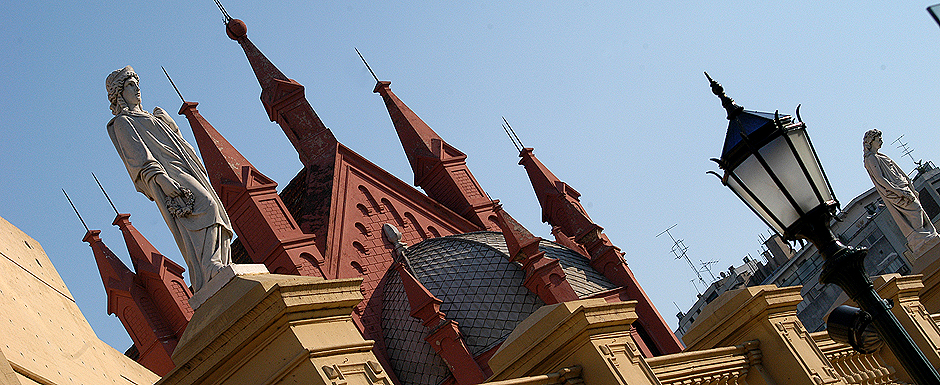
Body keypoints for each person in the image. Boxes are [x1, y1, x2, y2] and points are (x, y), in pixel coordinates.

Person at [106, 65, 233, 292]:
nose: (137, 90)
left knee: (214, 208)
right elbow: (138, 157)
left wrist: (168, 125)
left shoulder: (148, 115)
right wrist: (161, 179)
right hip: (168, 174)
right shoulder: (123, 122)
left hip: (184, 167)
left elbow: (177, 143)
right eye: (130, 85)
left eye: (137, 85)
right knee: (207, 205)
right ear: (119, 93)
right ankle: (209, 267)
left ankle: (220, 263)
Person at [863, 128, 940, 255]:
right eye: (878, 139)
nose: (881, 141)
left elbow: (898, 172)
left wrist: (909, 185)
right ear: (871, 141)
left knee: (919, 210)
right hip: (897, 192)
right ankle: (921, 239)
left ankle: (925, 236)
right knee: (916, 211)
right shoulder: (871, 158)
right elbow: (880, 179)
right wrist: (898, 191)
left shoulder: (880, 156)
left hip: (904, 188)